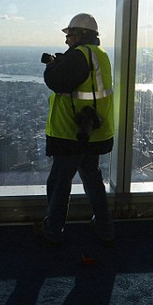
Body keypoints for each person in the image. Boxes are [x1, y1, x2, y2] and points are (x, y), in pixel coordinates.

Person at [39, 13, 116, 245]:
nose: (67, 40)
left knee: (59, 182)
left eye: (70, 34)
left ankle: (52, 229)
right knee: (92, 178)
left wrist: (52, 65)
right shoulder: (98, 54)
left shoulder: (80, 55)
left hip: (71, 132)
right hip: (92, 130)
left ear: (81, 34)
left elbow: (57, 81)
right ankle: (104, 226)